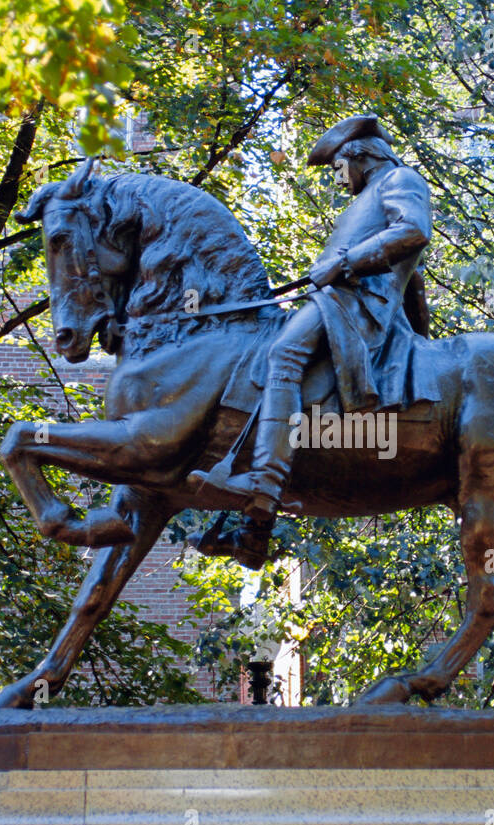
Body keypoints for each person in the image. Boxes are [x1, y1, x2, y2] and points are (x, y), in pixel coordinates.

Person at [188, 114, 438, 568]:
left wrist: (345, 264)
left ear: (361, 157)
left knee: (281, 355)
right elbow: (414, 280)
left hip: (355, 305)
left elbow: (413, 233)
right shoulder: (366, 199)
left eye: (341, 169)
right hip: (339, 301)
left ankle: (263, 484)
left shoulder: (399, 179)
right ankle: (254, 530)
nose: (340, 179)